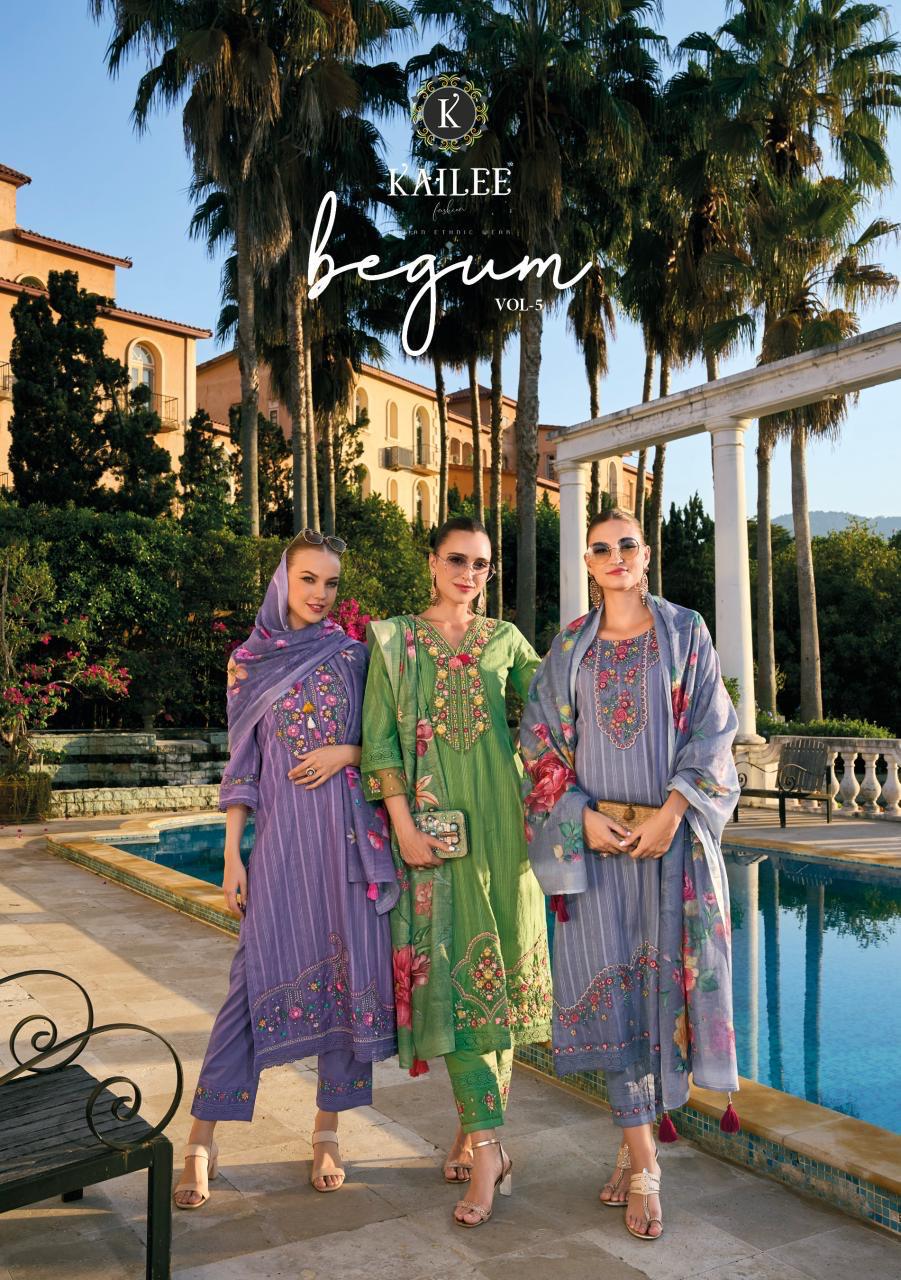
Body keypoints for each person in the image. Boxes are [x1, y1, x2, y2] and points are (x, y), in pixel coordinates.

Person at [520, 508, 740, 1243]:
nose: (614, 555)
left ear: (645, 555)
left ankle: (632, 1147)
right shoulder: (569, 648)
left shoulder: (685, 633)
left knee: (657, 998)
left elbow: (713, 729)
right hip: (593, 853)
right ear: (587, 563)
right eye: (600, 548)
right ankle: (646, 1162)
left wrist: (674, 814)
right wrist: (577, 816)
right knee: (608, 998)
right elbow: (539, 743)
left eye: (626, 545)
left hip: (668, 850)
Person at [173, 530, 397, 1208]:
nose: (320, 594)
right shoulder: (248, 663)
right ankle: (202, 1139)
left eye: (331, 583)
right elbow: (242, 767)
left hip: (349, 847)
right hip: (282, 848)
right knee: (248, 985)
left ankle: (326, 1133)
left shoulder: (354, 657)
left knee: (345, 981)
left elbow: (386, 742)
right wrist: (231, 856)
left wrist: (345, 753)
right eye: (308, 579)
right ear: (283, 580)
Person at [360, 516, 552, 1229]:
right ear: (431, 563)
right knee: (453, 980)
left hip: (505, 829)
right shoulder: (393, 640)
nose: (469, 574)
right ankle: (489, 1145)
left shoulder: (505, 639)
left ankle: (481, 1139)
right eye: (456, 560)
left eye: (480, 564)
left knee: (498, 986)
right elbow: (379, 742)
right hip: (435, 833)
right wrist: (403, 827)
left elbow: (558, 706)